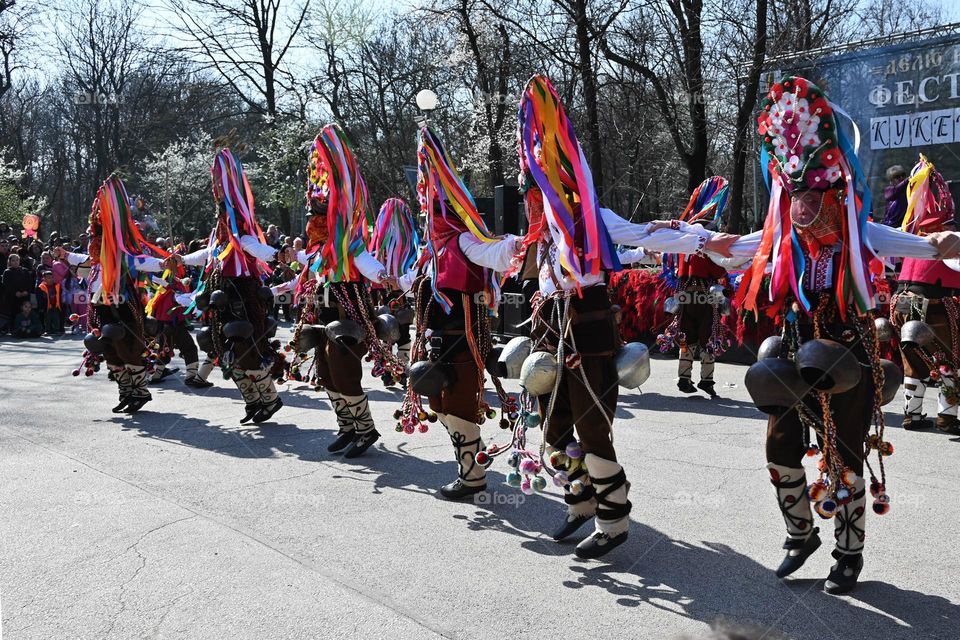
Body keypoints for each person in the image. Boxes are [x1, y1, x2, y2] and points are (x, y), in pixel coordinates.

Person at [727, 76, 960, 594]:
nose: (804, 208)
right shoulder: (783, 236)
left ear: (837, 194)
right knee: (779, 442)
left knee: (844, 454)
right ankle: (799, 533)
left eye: (815, 196)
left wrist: (946, 240)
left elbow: (921, 245)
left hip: (846, 353)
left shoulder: (863, 232)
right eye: (797, 196)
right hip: (791, 349)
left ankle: (848, 553)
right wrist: (696, 240)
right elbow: (741, 245)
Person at [512, 75, 737, 559]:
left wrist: (700, 240)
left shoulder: (591, 216)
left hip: (589, 326)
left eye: (539, 189)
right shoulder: (538, 234)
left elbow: (644, 236)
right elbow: (509, 261)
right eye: (531, 191)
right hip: (550, 328)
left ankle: (614, 521)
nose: (534, 198)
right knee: (552, 425)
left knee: (592, 428)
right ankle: (581, 499)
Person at [399, 125, 522, 499]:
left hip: (464, 344)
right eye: (428, 209)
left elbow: (496, 254)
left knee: (459, 408)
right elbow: (412, 281)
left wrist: (525, 243)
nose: (431, 215)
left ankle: (473, 479)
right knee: (440, 406)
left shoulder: (464, 240)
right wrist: (395, 280)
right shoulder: (431, 251)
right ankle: (468, 471)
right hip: (437, 346)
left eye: (437, 208)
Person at [287, 125, 399, 457]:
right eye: (311, 215)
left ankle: (365, 430)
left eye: (318, 215)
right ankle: (346, 426)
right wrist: (286, 280)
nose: (312, 221)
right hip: (322, 316)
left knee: (344, 371)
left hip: (347, 315)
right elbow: (306, 272)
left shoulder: (349, 243)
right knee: (325, 371)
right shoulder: (316, 250)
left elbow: (366, 261)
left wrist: (383, 274)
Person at [172, 149, 288, 424]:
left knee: (247, 350)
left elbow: (259, 249)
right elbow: (204, 256)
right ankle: (252, 401)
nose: (222, 219)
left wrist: (277, 254)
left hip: (243, 296)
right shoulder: (218, 240)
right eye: (220, 215)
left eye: (225, 214)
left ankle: (269, 399)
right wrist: (180, 259)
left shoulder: (242, 236)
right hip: (220, 297)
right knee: (223, 351)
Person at [57, 175, 171, 414]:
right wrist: (66, 255)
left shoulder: (120, 258)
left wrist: (162, 264)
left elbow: (142, 261)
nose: (91, 244)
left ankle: (140, 392)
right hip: (100, 311)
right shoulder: (94, 263)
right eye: (91, 240)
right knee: (109, 351)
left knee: (127, 349)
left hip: (121, 310)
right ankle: (126, 392)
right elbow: (82, 260)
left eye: (95, 240)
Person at [890, 155, 960, 434]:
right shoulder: (949, 234)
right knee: (948, 357)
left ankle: (912, 415)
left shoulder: (913, 232)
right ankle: (948, 417)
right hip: (936, 300)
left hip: (905, 301)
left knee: (914, 357)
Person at [658, 177, 732, 398]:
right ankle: (706, 381)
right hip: (705, 298)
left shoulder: (683, 243)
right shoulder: (706, 242)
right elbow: (719, 271)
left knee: (686, 336)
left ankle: (684, 378)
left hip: (684, 296)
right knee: (708, 336)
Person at [369, 197, 420, 376]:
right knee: (395, 330)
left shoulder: (407, 245)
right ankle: (396, 369)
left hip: (396, 294)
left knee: (391, 329)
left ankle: (395, 369)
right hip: (394, 294)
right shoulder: (384, 245)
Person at [2, 254, 35, 334]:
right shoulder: (7, 272)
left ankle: (27, 328)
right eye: (13, 260)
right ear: (9, 262)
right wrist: (15, 292)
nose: (15, 262)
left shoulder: (25, 271)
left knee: (25, 312)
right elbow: (6, 285)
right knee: (14, 312)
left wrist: (27, 291)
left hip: (25, 296)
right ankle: (14, 329)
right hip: (13, 297)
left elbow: (30, 282)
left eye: (17, 260)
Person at [37, 270, 64, 335]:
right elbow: (40, 298)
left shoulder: (57, 285)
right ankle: (47, 330)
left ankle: (57, 330)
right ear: (44, 279)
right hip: (47, 306)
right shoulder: (41, 287)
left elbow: (60, 295)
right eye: (49, 278)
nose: (51, 279)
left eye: (52, 277)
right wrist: (41, 306)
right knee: (47, 318)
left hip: (56, 305)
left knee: (56, 318)